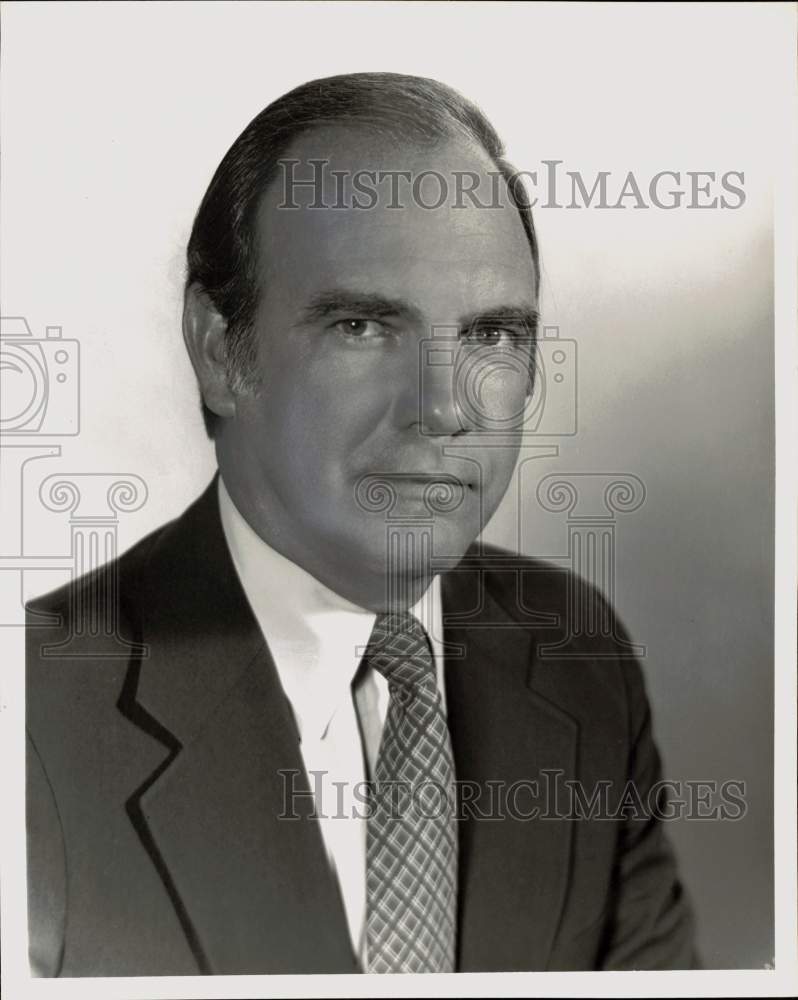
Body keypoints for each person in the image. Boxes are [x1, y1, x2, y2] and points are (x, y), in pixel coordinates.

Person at [26, 72, 698, 976]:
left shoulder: (579, 661)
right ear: (221, 351)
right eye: (362, 326)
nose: (443, 409)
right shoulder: (32, 717)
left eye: (493, 337)